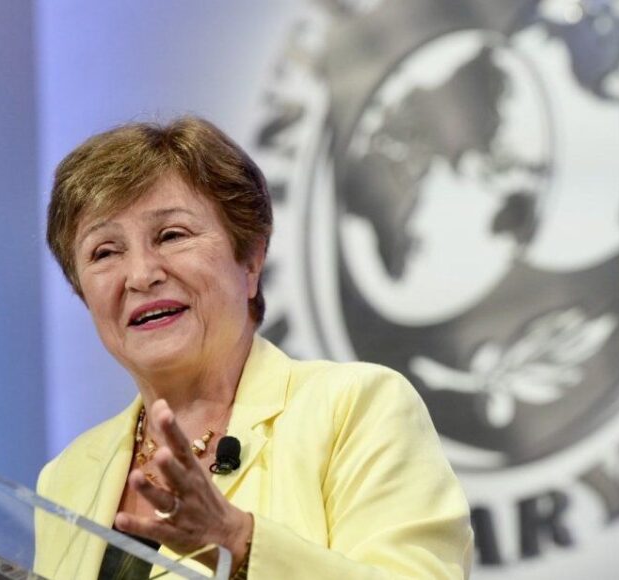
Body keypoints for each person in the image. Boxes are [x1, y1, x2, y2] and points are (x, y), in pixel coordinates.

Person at [35, 116, 473, 579]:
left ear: (250, 260)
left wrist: (239, 545)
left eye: (172, 235)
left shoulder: (355, 409)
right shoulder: (67, 476)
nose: (141, 275)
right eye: (104, 252)